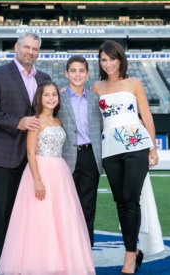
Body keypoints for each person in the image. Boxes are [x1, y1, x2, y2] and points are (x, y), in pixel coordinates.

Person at [0, 81, 95, 275]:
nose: (51, 98)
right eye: (46, 95)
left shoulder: (58, 121)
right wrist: (37, 180)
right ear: (39, 99)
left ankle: (63, 263)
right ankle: (39, 265)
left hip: (59, 172)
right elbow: (31, 153)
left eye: (54, 95)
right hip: (41, 171)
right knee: (40, 218)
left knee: (62, 219)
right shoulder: (35, 121)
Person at [0, 33, 51, 275]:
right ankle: (0, 269)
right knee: (1, 217)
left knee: (31, 217)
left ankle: (25, 266)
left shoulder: (44, 78)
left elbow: (48, 114)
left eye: (35, 49)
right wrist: (17, 123)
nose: (30, 52)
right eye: (26, 47)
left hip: (36, 159)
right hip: (4, 155)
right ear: (16, 47)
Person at [92, 40, 164, 274]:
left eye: (112, 58)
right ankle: (134, 249)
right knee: (120, 201)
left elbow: (147, 116)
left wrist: (152, 148)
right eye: (104, 59)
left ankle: (130, 256)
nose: (108, 63)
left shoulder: (134, 83)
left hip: (136, 144)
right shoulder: (96, 88)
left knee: (131, 199)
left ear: (120, 59)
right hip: (109, 148)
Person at [58, 55, 104, 247]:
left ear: (87, 74)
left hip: (90, 156)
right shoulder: (57, 97)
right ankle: (65, 252)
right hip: (65, 157)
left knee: (87, 207)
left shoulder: (95, 99)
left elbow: (103, 125)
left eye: (81, 71)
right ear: (66, 73)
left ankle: (85, 255)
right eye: (73, 71)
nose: (77, 74)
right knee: (65, 207)